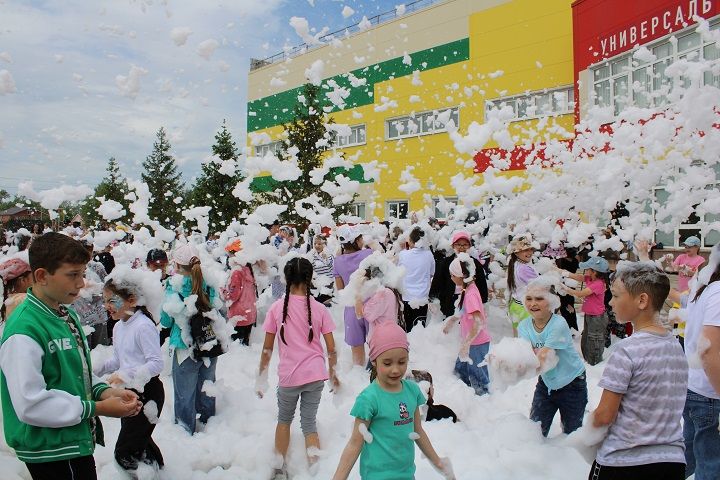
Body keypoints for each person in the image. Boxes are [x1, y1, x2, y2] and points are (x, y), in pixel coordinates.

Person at [0, 232, 142, 480]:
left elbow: (77, 372)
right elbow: (31, 404)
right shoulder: (24, 330)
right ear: (42, 276)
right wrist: (97, 408)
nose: (81, 283)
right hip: (49, 448)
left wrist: (105, 391)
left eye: (83, 274)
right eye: (72, 275)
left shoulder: (66, 315)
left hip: (72, 438)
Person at [590, 262, 687, 480]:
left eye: (615, 295)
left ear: (642, 300)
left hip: (623, 462)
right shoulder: (676, 348)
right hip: (671, 462)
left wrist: (586, 432)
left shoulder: (627, 350)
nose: (610, 302)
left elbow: (605, 415)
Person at [332, 322, 455, 480]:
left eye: (402, 362)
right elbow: (355, 444)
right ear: (375, 361)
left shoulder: (411, 391)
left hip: (406, 474)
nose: (396, 369)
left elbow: (417, 431)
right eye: (387, 363)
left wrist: (438, 462)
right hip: (376, 476)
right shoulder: (369, 399)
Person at [256, 257, 339, 479]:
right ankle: (316, 470)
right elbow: (331, 348)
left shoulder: (276, 309)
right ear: (310, 279)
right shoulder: (320, 309)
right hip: (315, 375)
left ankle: (278, 469)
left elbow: (267, 348)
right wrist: (333, 375)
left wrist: (261, 377)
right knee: (309, 424)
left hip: (288, 377)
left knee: (284, 421)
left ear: (286, 279)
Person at [97, 273, 164, 475]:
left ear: (132, 300)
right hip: (128, 393)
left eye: (112, 300)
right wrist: (93, 369)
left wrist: (126, 375)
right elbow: (118, 361)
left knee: (125, 450)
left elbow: (156, 363)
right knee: (139, 440)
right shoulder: (119, 326)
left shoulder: (143, 326)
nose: (106, 306)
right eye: (104, 301)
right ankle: (158, 471)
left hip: (148, 393)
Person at [160, 244, 219, 435]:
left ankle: (185, 431)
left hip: (184, 346)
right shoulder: (209, 284)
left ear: (177, 266)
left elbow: (166, 320)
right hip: (209, 343)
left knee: (184, 394)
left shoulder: (173, 286)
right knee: (207, 388)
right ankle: (210, 426)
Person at [517, 280, 587, 437]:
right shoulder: (524, 326)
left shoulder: (559, 323)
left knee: (572, 434)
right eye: (529, 298)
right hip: (547, 383)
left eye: (539, 298)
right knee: (535, 431)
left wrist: (519, 369)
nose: (533, 304)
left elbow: (543, 356)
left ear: (551, 301)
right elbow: (525, 355)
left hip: (572, 383)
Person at [682, 244, 720, 480]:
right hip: (711, 396)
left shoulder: (707, 288)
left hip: (697, 388)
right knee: (711, 467)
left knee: (692, 456)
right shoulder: (718, 292)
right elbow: (708, 350)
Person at [442, 254, 490, 395]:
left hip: (477, 343)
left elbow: (478, 321)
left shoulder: (471, 295)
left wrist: (467, 343)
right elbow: (462, 310)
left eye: (452, 275)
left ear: (461, 276)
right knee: (461, 369)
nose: (451, 277)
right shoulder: (466, 289)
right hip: (470, 341)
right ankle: (462, 391)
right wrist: (451, 321)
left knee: (478, 372)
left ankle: (484, 397)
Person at [333, 225, 373, 365]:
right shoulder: (368, 254)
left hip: (351, 307)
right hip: (371, 304)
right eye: (360, 238)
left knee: (356, 348)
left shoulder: (337, 261)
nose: (362, 239)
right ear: (355, 241)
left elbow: (341, 289)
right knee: (375, 344)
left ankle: (359, 375)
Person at [560, 256, 610, 365]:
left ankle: (595, 362)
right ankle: (588, 360)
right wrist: (561, 272)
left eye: (588, 269)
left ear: (595, 272)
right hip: (589, 315)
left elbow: (581, 293)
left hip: (597, 317)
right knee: (586, 338)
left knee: (594, 340)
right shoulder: (590, 278)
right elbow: (577, 276)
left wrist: (565, 288)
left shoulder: (599, 284)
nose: (586, 271)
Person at [429, 231, 489, 320]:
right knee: (451, 323)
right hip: (450, 299)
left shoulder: (474, 263)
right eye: (458, 244)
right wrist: (432, 298)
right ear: (453, 246)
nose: (461, 247)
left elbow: (481, 283)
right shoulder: (446, 263)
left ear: (469, 246)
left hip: (469, 299)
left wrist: (483, 301)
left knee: (467, 322)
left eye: (465, 245)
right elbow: (438, 281)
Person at [398, 226, 435, 332]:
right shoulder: (429, 255)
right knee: (420, 328)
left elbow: (398, 273)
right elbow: (432, 273)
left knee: (408, 328)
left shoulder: (403, 255)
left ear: (411, 241)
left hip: (407, 296)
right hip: (422, 296)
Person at [221, 239, 257, 346]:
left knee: (238, 350)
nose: (229, 258)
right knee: (244, 348)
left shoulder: (237, 272)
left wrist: (222, 291)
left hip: (239, 316)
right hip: (250, 315)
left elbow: (232, 296)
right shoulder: (249, 269)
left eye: (230, 255)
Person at [506, 234, 539, 337]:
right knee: (530, 341)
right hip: (525, 310)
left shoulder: (514, 264)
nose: (529, 253)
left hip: (516, 306)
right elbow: (540, 286)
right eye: (525, 250)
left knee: (519, 340)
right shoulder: (524, 269)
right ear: (516, 253)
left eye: (530, 249)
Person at [310, 234, 334, 305]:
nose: (317, 245)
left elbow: (332, 267)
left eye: (319, 244)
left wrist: (326, 259)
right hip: (316, 282)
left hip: (327, 282)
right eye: (315, 244)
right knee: (316, 301)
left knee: (325, 300)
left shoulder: (329, 255)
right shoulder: (313, 256)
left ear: (325, 245)